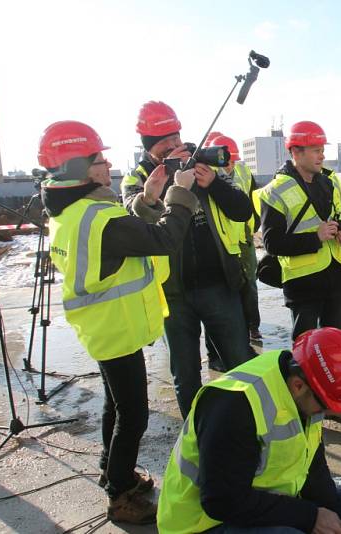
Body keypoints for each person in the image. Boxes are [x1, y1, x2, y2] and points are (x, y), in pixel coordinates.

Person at [38, 120, 198, 523]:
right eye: (97, 159)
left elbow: (129, 231)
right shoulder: (97, 217)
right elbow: (161, 239)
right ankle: (120, 495)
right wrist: (180, 194)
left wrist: (147, 199)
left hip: (101, 326)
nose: (106, 164)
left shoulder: (73, 212)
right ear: (76, 167)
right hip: (115, 327)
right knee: (134, 415)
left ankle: (114, 470)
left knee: (116, 403)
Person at [157, 328, 341, 533]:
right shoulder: (235, 405)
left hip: (261, 496)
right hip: (203, 522)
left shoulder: (303, 382)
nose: (326, 413)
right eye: (325, 406)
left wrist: (336, 515)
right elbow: (221, 501)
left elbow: (312, 466)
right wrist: (310, 517)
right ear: (298, 386)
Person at [122, 101, 254, 419]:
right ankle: (196, 438)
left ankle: (250, 427)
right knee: (186, 375)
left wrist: (212, 184)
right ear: (148, 146)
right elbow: (131, 221)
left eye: (176, 135)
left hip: (217, 284)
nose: (173, 144)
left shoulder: (200, 163)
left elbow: (243, 210)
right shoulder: (138, 178)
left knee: (242, 364)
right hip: (172, 293)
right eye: (163, 140)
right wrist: (160, 188)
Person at [258, 121, 341, 424]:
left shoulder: (331, 183)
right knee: (303, 349)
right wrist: (314, 237)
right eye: (315, 150)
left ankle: (332, 405)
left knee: (334, 347)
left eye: (322, 149)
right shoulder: (275, 191)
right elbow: (272, 242)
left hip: (334, 277)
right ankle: (299, 408)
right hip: (303, 282)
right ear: (295, 152)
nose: (321, 155)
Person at [209, 134, 263, 344]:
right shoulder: (208, 175)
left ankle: (253, 326)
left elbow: (254, 198)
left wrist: (254, 226)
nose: (230, 166)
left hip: (244, 238)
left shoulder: (243, 171)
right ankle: (234, 328)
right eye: (226, 161)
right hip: (221, 243)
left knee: (250, 283)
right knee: (227, 286)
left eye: (232, 161)